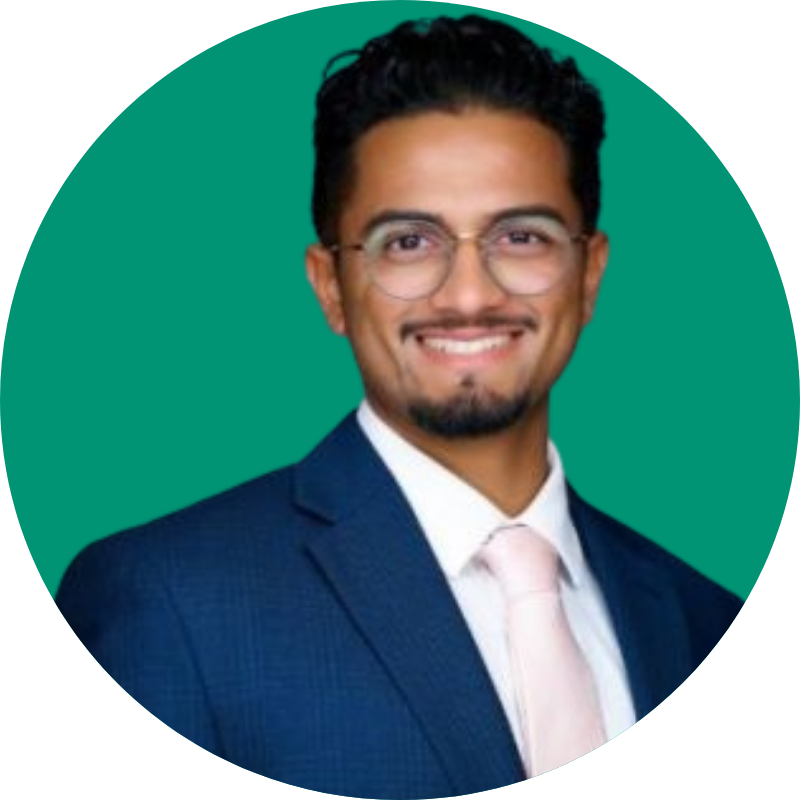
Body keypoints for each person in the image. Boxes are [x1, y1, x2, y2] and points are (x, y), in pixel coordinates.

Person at [55, 15, 742, 795]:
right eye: (409, 242)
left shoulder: (704, 619)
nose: (471, 294)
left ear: (589, 275)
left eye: (522, 236)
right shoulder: (167, 601)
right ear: (330, 287)